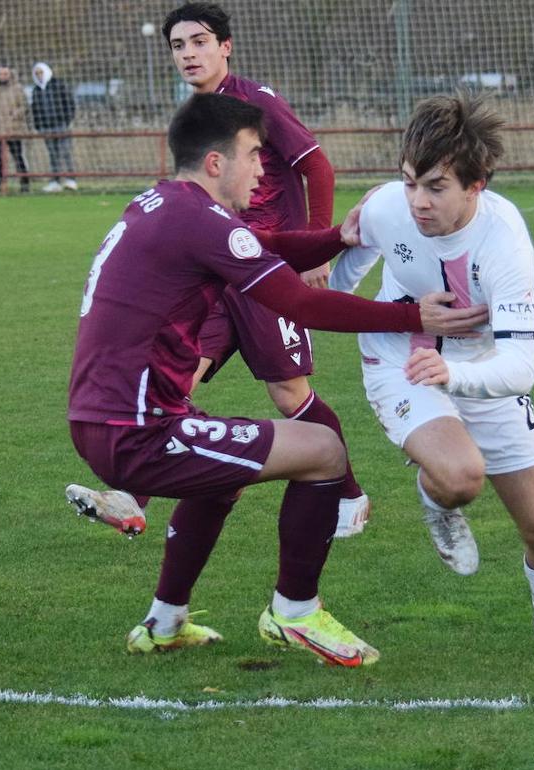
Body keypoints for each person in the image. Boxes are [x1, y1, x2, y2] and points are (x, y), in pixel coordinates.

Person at [67, 92, 488, 663]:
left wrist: (341, 237)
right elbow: (300, 304)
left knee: (222, 478)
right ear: (217, 163)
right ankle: (295, 612)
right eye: (253, 154)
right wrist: (414, 315)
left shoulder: (164, 206)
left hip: (110, 416)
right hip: (137, 428)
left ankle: (164, 622)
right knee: (322, 449)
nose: (263, 168)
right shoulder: (199, 220)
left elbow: (267, 246)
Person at [319, 91, 534, 665]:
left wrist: (455, 370)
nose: (418, 201)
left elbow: (522, 367)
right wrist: (322, 262)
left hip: (480, 367)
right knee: (461, 476)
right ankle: (437, 497)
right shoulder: (384, 209)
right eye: (408, 182)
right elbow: (331, 292)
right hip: (403, 360)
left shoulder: (504, 241)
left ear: (477, 184)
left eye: (436, 186)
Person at [67, 2, 369, 539]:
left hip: (260, 271)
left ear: (225, 46)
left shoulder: (254, 102)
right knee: (179, 374)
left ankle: (349, 495)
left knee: (288, 393)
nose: (189, 53)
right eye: (179, 46)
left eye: (200, 41)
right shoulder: (199, 116)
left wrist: (315, 248)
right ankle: (130, 498)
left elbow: (316, 165)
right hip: (214, 272)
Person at [30, 62, 77, 192]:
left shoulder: (58, 85)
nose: (39, 75)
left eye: (41, 72)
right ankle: (55, 181)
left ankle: (70, 180)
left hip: (61, 125)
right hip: (46, 127)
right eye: (37, 73)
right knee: (53, 155)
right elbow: (34, 109)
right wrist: (39, 126)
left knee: (65, 152)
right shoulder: (36, 90)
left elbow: (69, 103)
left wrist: (67, 120)